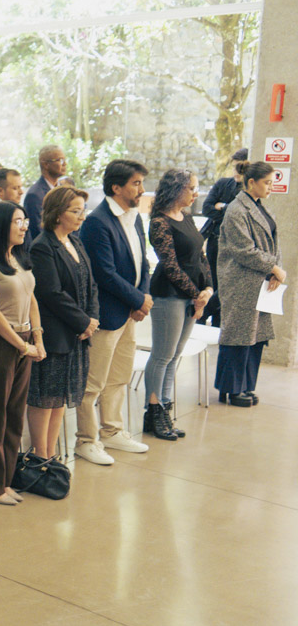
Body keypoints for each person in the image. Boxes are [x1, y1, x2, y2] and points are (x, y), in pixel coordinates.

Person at [75, 159, 153, 465]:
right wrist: (138, 300)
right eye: (136, 183)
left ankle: (112, 431)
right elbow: (104, 274)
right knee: (93, 383)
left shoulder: (135, 217)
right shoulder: (98, 221)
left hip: (129, 311)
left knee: (119, 376)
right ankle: (86, 440)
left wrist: (142, 296)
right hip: (107, 314)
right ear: (116, 187)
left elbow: (143, 261)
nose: (142, 189)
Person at [0, 201, 44, 504]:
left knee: (15, 413)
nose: (24, 226)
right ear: (1, 224)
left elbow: (32, 299)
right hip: (2, 342)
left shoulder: (17, 256)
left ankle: (7, 478)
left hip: (25, 339)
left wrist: (37, 338)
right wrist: (22, 345)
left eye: (25, 220)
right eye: (17, 221)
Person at [27, 186, 99, 459]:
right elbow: (51, 293)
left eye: (83, 210)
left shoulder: (75, 242)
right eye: (76, 211)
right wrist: (83, 322)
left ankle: (51, 455)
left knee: (59, 398)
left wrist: (91, 319)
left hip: (76, 333)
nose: (82, 216)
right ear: (58, 214)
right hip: (55, 334)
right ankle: (40, 456)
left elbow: (91, 284)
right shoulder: (42, 246)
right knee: (46, 398)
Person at [144, 169, 212, 439]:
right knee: (162, 356)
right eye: (192, 188)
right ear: (176, 189)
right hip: (169, 295)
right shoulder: (159, 222)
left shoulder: (187, 217)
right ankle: (153, 413)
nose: (196, 193)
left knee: (174, 356)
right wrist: (197, 295)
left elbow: (201, 256)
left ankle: (165, 409)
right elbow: (170, 266)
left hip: (192, 295)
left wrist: (208, 288)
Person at [215, 161, 284, 407]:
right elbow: (243, 250)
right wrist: (274, 268)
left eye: (272, 183)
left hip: (259, 280)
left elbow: (274, 244)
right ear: (251, 182)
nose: (270, 187)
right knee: (238, 336)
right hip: (241, 281)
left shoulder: (259, 206)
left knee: (255, 337)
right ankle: (231, 389)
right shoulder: (236, 209)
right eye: (267, 183)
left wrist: (275, 270)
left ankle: (245, 386)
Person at [199, 147, 248, 326]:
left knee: (228, 284)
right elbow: (207, 208)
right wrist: (228, 211)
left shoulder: (249, 190)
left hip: (236, 243)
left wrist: (223, 207)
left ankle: (204, 314)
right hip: (216, 240)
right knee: (214, 282)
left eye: (240, 167)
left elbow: (242, 216)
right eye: (234, 166)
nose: (236, 171)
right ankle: (205, 318)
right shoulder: (223, 184)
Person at [24, 145, 66, 240]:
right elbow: (37, 231)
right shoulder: (35, 195)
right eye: (60, 160)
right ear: (46, 164)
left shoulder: (64, 190)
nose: (65, 164)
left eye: (64, 160)